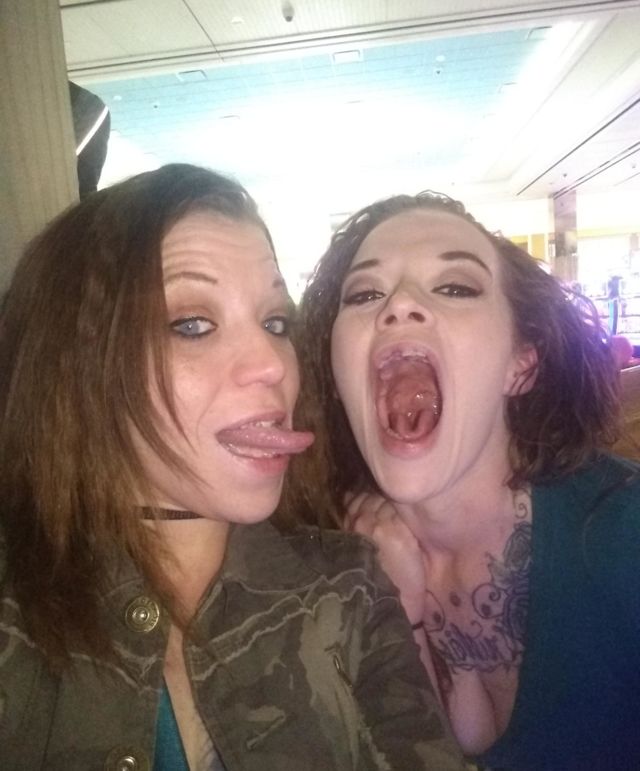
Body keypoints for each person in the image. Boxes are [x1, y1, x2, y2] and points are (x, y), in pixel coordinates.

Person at [0, 167, 465, 771]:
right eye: (192, 324)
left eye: (276, 323)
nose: (273, 363)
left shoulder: (347, 588)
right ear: (74, 365)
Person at [290, 190, 640, 771]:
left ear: (520, 364)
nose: (400, 304)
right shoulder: (319, 569)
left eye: (455, 287)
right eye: (365, 294)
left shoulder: (624, 533)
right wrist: (401, 611)